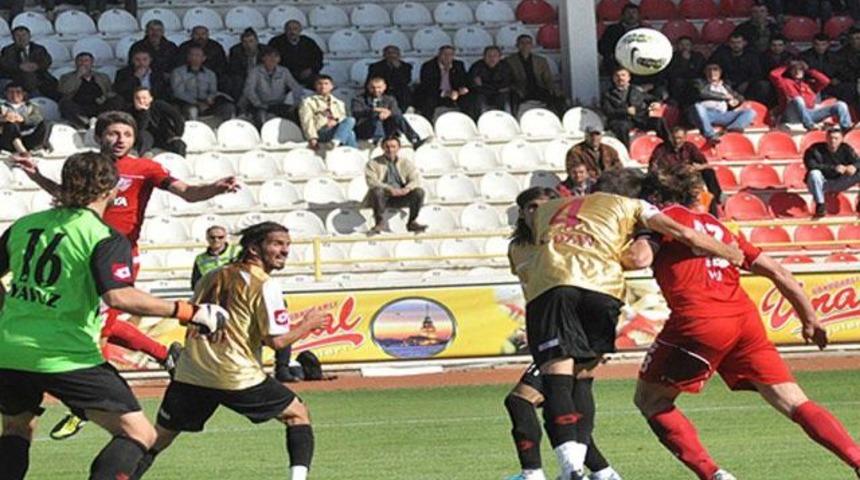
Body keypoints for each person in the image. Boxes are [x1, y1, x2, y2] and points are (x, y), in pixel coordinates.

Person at [0, 151, 226, 480]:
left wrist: (7, 309)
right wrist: (189, 311)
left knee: (17, 429)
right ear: (113, 189)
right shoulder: (103, 236)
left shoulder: (24, 225)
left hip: (10, 351)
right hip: (67, 355)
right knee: (140, 434)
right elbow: (119, 297)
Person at [507, 170, 742, 479]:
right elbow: (659, 247)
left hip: (559, 295)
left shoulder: (554, 216)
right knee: (580, 381)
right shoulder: (630, 208)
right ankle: (598, 473)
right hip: (603, 294)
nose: (536, 211)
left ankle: (565, 470)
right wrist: (729, 251)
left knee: (551, 387)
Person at [633, 166, 860, 480]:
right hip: (744, 321)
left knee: (650, 399)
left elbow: (639, 258)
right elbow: (780, 273)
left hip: (700, 319)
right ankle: (857, 459)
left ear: (655, 198)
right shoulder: (721, 228)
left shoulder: (663, 220)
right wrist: (810, 318)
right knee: (794, 401)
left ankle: (714, 475)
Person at [128, 222, 328, 480]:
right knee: (297, 414)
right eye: (277, 244)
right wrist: (308, 325)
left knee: (158, 439)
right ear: (255, 248)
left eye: (287, 245)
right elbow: (276, 342)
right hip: (236, 374)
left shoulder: (211, 276)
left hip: (191, 372)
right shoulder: (265, 285)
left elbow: (192, 316)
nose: (285, 250)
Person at [503, 188, 623, 480]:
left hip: (576, 325)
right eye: (531, 207)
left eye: (544, 206)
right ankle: (601, 472)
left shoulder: (569, 240)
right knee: (568, 395)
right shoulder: (517, 248)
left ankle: (536, 473)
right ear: (521, 212)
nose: (537, 212)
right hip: (548, 323)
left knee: (525, 400)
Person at [649, 126, 723, 216]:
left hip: (689, 176)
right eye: (674, 138)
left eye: (680, 138)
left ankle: (716, 201)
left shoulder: (690, 147)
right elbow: (653, 168)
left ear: (685, 138)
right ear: (670, 137)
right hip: (670, 177)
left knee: (709, 172)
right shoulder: (661, 149)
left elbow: (705, 164)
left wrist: (697, 167)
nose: (677, 141)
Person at [363, 135, 426, 234]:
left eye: (393, 146)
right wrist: (389, 189)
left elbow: (415, 179)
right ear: (382, 148)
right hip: (383, 196)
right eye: (387, 147)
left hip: (401, 194)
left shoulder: (406, 163)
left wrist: (407, 189)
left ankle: (412, 222)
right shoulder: (373, 163)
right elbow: (371, 182)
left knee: (419, 192)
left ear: (398, 148)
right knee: (377, 191)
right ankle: (379, 222)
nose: (390, 149)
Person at [770, 61, 853, 131]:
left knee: (840, 104)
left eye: (800, 70)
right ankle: (809, 125)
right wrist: (787, 66)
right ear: (790, 71)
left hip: (810, 113)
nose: (797, 72)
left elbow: (825, 81)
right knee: (798, 99)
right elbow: (774, 75)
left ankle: (846, 127)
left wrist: (809, 70)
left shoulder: (808, 84)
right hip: (792, 115)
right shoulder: (785, 82)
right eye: (794, 70)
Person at [691, 64, 757, 145]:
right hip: (706, 114)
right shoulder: (700, 82)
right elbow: (702, 93)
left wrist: (736, 101)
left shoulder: (725, 86)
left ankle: (731, 130)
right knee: (698, 106)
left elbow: (740, 97)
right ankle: (710, 135)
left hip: (722, 114)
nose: (712, 72)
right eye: (709, 70)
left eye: (715, 70)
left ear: (720, 73)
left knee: (750, 112)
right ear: (705, 72)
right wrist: (724, 97)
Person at [601, 67, 667, 148]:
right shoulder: (608, 94)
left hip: (639, 118)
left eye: (623, 75)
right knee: (622, 127)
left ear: (629, 77)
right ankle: (626, 153)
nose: (620, 78)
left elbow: (651, 98)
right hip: (621, 120)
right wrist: (625, 111)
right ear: (613, 78)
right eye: (617, 76)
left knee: (659, 121)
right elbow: (608, 111)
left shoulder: (636, 90)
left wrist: (656, 103)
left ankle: (667, 147)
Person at [804, 127, 860, 217]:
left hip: (839, 181)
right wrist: (833, 168)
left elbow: (858, 161)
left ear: (841, 139)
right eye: (830, 138)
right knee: (814, 173)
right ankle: (820, 205)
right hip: (822, 183)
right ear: (826, 138)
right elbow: (811, 165)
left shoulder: (845, 148)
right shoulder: (814, 149)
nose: (833, 141)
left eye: (836, 138)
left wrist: (854, 166)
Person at [171, 45, 236, 123]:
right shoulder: (178, 72)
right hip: (186, 102)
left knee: (228, 107)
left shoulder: (210, 74)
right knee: (192, 110)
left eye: (198, 55)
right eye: (192, 55)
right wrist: (197, 103)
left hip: (206, 102)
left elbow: (213, 91)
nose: (194, 58)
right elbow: (178, 93)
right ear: (188, 57)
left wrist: (210, 99)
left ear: (204, 58)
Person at [352, 76, 423, 146]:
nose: (376, 90)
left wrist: (388, 113)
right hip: (366, 127)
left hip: (387, 126)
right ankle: (378, 139)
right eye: (373, 87)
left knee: (398, 116)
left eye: (379, 87)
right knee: (377, 116)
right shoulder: (359, 99)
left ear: (384, 87)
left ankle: (414, 139)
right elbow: (356, 112)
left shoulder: (389, 99)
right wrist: (375, 111)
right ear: (368, 87)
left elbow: (396, 112)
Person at [242, 46, 303, 128]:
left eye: (276, 56)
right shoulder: (255, 71)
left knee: (297, 114)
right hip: (260, 105)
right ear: (263, 58)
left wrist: (296, 103)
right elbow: (249, 90)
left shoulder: (284, 71)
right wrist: (258, 103)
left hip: (278, 104)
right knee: (261, 118)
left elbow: (296, 87)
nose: (273, 59)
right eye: (269, 56)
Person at [505, 35, 566, 116]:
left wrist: (552, 89)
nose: (525, 45)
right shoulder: (509, 61)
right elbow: (507, 80)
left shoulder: (541, 60)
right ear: (517, 45)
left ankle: (560, 118)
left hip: (538, 87)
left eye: (528, 43)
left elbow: (547, 78)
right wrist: (516, 89)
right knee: (512, 99)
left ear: (532, 45)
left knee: (558, 98)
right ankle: (515, 120)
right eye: (522, 43)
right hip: (520, 90)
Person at [58, 52, 122, 129]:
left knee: (117, 100)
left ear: (92, 63)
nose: (83, 63)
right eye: (80, 61)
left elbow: (110, 92)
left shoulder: (103, 77)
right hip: (79, 106)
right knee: (64, 104)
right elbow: (64, 90)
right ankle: (87, 124)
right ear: (76, 63)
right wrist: (78, 76)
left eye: (86, 61)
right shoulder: (66, 77)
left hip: (99, 105)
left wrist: (103, 98)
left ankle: (100, 120)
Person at [298, 74, 357, 149]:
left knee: (350, 126)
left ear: (331, 86)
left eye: (326, 84)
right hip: (320, 131)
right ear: (315, 86)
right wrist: (312, 138)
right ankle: (354, 154)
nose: (323, 86)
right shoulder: (308, 102)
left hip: (335, 130)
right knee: (350, 130)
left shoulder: (339, 103)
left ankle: (336, 142)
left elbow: (343, 118)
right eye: (320, 84)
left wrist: (336, 121)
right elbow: (307, 121)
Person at [707, 33, 767, 104]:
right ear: (729, 44)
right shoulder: (721, 55)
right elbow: (711, 70)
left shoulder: (751, 56)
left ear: (744, 43)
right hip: (725, 85)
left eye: (738, 42)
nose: (736, 45)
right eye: (733, 43)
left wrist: (747, 83)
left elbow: (757, 74)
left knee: (763, 85)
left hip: (747, 86)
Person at [0, 26, 58, 99]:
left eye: (24, 35)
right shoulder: (8, 50)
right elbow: (4, 63)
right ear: (13, 38)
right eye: (18, 36)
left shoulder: (39, 49)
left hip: (38, 75)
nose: (21, 38)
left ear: (29, 36)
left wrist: (37, 65)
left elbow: (47, 60)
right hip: (16, 76)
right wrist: (19, 66)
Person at [130, 87, 186, 157]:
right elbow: (141, 128)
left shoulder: (159, 105)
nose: (141, 101)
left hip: (164, 135)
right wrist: (144, 113)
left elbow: (177, 117)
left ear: (151, 98)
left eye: (144, 98)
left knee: (179, 145)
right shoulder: (131, 110)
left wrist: (178, 134)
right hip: (147, 138)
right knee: (143, 137)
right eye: (137, 98)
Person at [417, 45, 470, 120]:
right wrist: (445, 93)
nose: (447, 57)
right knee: (428, 100)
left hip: (455, 94)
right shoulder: (428, 66)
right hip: (436, 94)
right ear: (439, 55)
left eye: (450, 55)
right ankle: (428, 123)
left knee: (470, 99)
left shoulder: (458, 65)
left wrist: (462, 88)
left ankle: (468, 122)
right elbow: (426, 86)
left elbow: (463, 80)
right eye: (444, 54)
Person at [269, 20, 324, 89]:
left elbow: (318, 58)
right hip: (284, 75)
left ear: (300, 30)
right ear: (285, 30)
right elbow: (270, 60)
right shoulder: (276, 42)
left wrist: (311, 70)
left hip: (307, 74)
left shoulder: (308, 42)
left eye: (295, 29)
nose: (292, 32)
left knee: (321, 84)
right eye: (289, 29)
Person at [0, 82, 46, 155]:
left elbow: (37, 118)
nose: (14, 95)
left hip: (27, 137)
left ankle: (35, 148)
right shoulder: (2, 106)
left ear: (23, 94)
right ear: (6, 93)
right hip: (7, 139)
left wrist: (23, 119)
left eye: (18, 92)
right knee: (11, 124)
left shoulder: (31, 106)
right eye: (11, 92)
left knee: (44, 124)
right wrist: (3, 119)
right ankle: (22, 152)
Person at [468, 45, 514, 117]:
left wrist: (484, 84)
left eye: (495, 56)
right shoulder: (477, 66)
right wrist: (495, 88)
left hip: (499, 94)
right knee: (478, 99)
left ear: (499, 57)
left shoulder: (505, 66)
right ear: (484, 57)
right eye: (489, 55)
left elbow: (507, 84)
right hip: (483, 94)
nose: (492, 58)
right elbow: (474, 85)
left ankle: (508, 121)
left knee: (506, 100)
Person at [597, 3, 644, 73]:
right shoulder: (612, 29)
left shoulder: (645, 31)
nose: (631, 15)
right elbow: (602, 47)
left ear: (639, 15)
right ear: (622, 15)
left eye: (634, 12)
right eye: (628, 12)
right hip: (616, 62)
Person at [190, 224, 240, 290]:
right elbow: (195, 283)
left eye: (220, 237)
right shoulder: (200, 259)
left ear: (225, 238)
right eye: (212, 237)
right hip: (212, 293)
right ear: (207, 238)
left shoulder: (237, 251)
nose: (216, 240)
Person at [366, 45, 413, 111]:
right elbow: (370, 81)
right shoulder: (375, 67)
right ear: (384, 55)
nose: (392, 55)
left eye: (394, 53)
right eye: (389, 53)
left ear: (399, 55)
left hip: (400, 92)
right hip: (383, 92)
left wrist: (397, 69)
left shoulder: (406, 66)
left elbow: (406, 81)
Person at [663, 36, 706, 107]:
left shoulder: (698, 56)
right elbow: (671, 73)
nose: (684, 47)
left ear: (691, 46)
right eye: (681, 44)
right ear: (677, 46)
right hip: (677, 84)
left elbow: (699, 71)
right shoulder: (671, 57)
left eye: (687, 45)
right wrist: (684, 62)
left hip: (694, 82)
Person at [226, 28, 264, 103]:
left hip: (260, 77)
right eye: (245, 42)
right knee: (237, 81)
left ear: (256, 41)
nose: (248, 45)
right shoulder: (235, 51)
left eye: (251, 41)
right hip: (243, 78)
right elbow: (235, 70)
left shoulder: (265, 51)